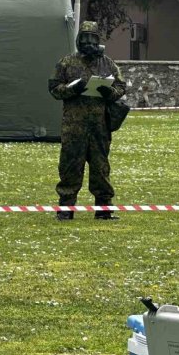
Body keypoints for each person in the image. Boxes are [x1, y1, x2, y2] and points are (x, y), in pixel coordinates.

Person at [49, 20, 126, 221]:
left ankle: (104, 208)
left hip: (100, 126)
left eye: (92, 39)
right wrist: (71, 90)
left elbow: (121, 87)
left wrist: (108, 92)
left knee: (101, 168)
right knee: (70, 167)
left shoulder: (107, 63)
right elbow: (54, 89)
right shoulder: (66, 62)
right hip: (74, 127)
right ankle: (66, 207)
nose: (88, 43)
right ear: (78, 40)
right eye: (84, 39)